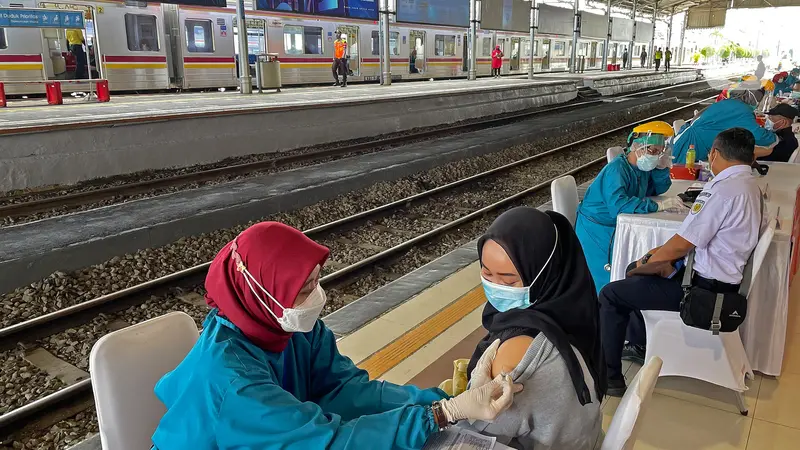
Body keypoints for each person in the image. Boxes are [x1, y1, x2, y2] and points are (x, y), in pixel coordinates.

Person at [151, 222, 523, 449]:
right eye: (304, 289)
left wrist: (443, 400)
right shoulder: (232, 381)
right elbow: (326, 441)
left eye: (315, 281)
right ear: (264, 293)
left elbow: (348, 391)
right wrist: (440, 415)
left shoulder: (283, 325)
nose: (316, 297)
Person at [599, 128, 765, 396]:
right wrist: (656, 261)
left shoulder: (724, 190)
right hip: (719, 283)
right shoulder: (750, 186)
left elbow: (682, 244)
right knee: (643, 275)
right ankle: (640, 343)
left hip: (702, 293)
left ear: (714, 154)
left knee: (611, 294)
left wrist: (646, 261)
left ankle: (610, 378)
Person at [464, 207, 604, 450]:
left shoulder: (515, 351)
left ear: (543, 275)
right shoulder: (570, 309)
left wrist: (449, 409)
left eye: (509, 281)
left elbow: (478, 435)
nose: (496, 286)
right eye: (487, 273)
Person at [575, 121, 680, 294]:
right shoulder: (616, 170)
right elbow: (619, 205)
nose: (655, 156)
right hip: (598, 230)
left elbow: (656, 190)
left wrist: (661, 168)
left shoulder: (641, 168)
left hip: (617, 225)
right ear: (636, 147)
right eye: (652, 151)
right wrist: (656, 206)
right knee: (604, 281)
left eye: (659, 152)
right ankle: (601, 311)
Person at [672, 84, 778, 163]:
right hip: (694, 148)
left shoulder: (727, 103)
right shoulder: (742, 110)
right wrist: (775, 138)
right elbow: (757, 135)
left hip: (690, 142)